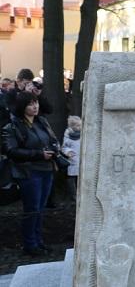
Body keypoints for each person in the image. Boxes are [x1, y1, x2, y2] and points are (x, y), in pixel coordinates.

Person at [2, 92, 59, 256]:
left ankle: (39, 241)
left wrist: (57, 150)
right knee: (32, 209)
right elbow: (11, 151)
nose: (35, 107)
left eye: (36, 103)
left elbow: (51, 140)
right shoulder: (12, 126)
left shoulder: (41, 121)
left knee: (40, 209)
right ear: (22, 107)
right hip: (29, 172)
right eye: (30, 104)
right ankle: (30, 244)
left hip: (46, 170)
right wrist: (39, 154)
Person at [62, 116, 81, 201]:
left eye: (80, 125)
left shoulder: (83, 133)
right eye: (77, 126)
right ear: (72, 126)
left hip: (82, 160)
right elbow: (64, 147)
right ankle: (73, 195)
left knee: (81, 177)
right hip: (73, 159)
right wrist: (68, 152)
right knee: (71, 178)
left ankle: (81, 194)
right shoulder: (67, 135)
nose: (80, 127)